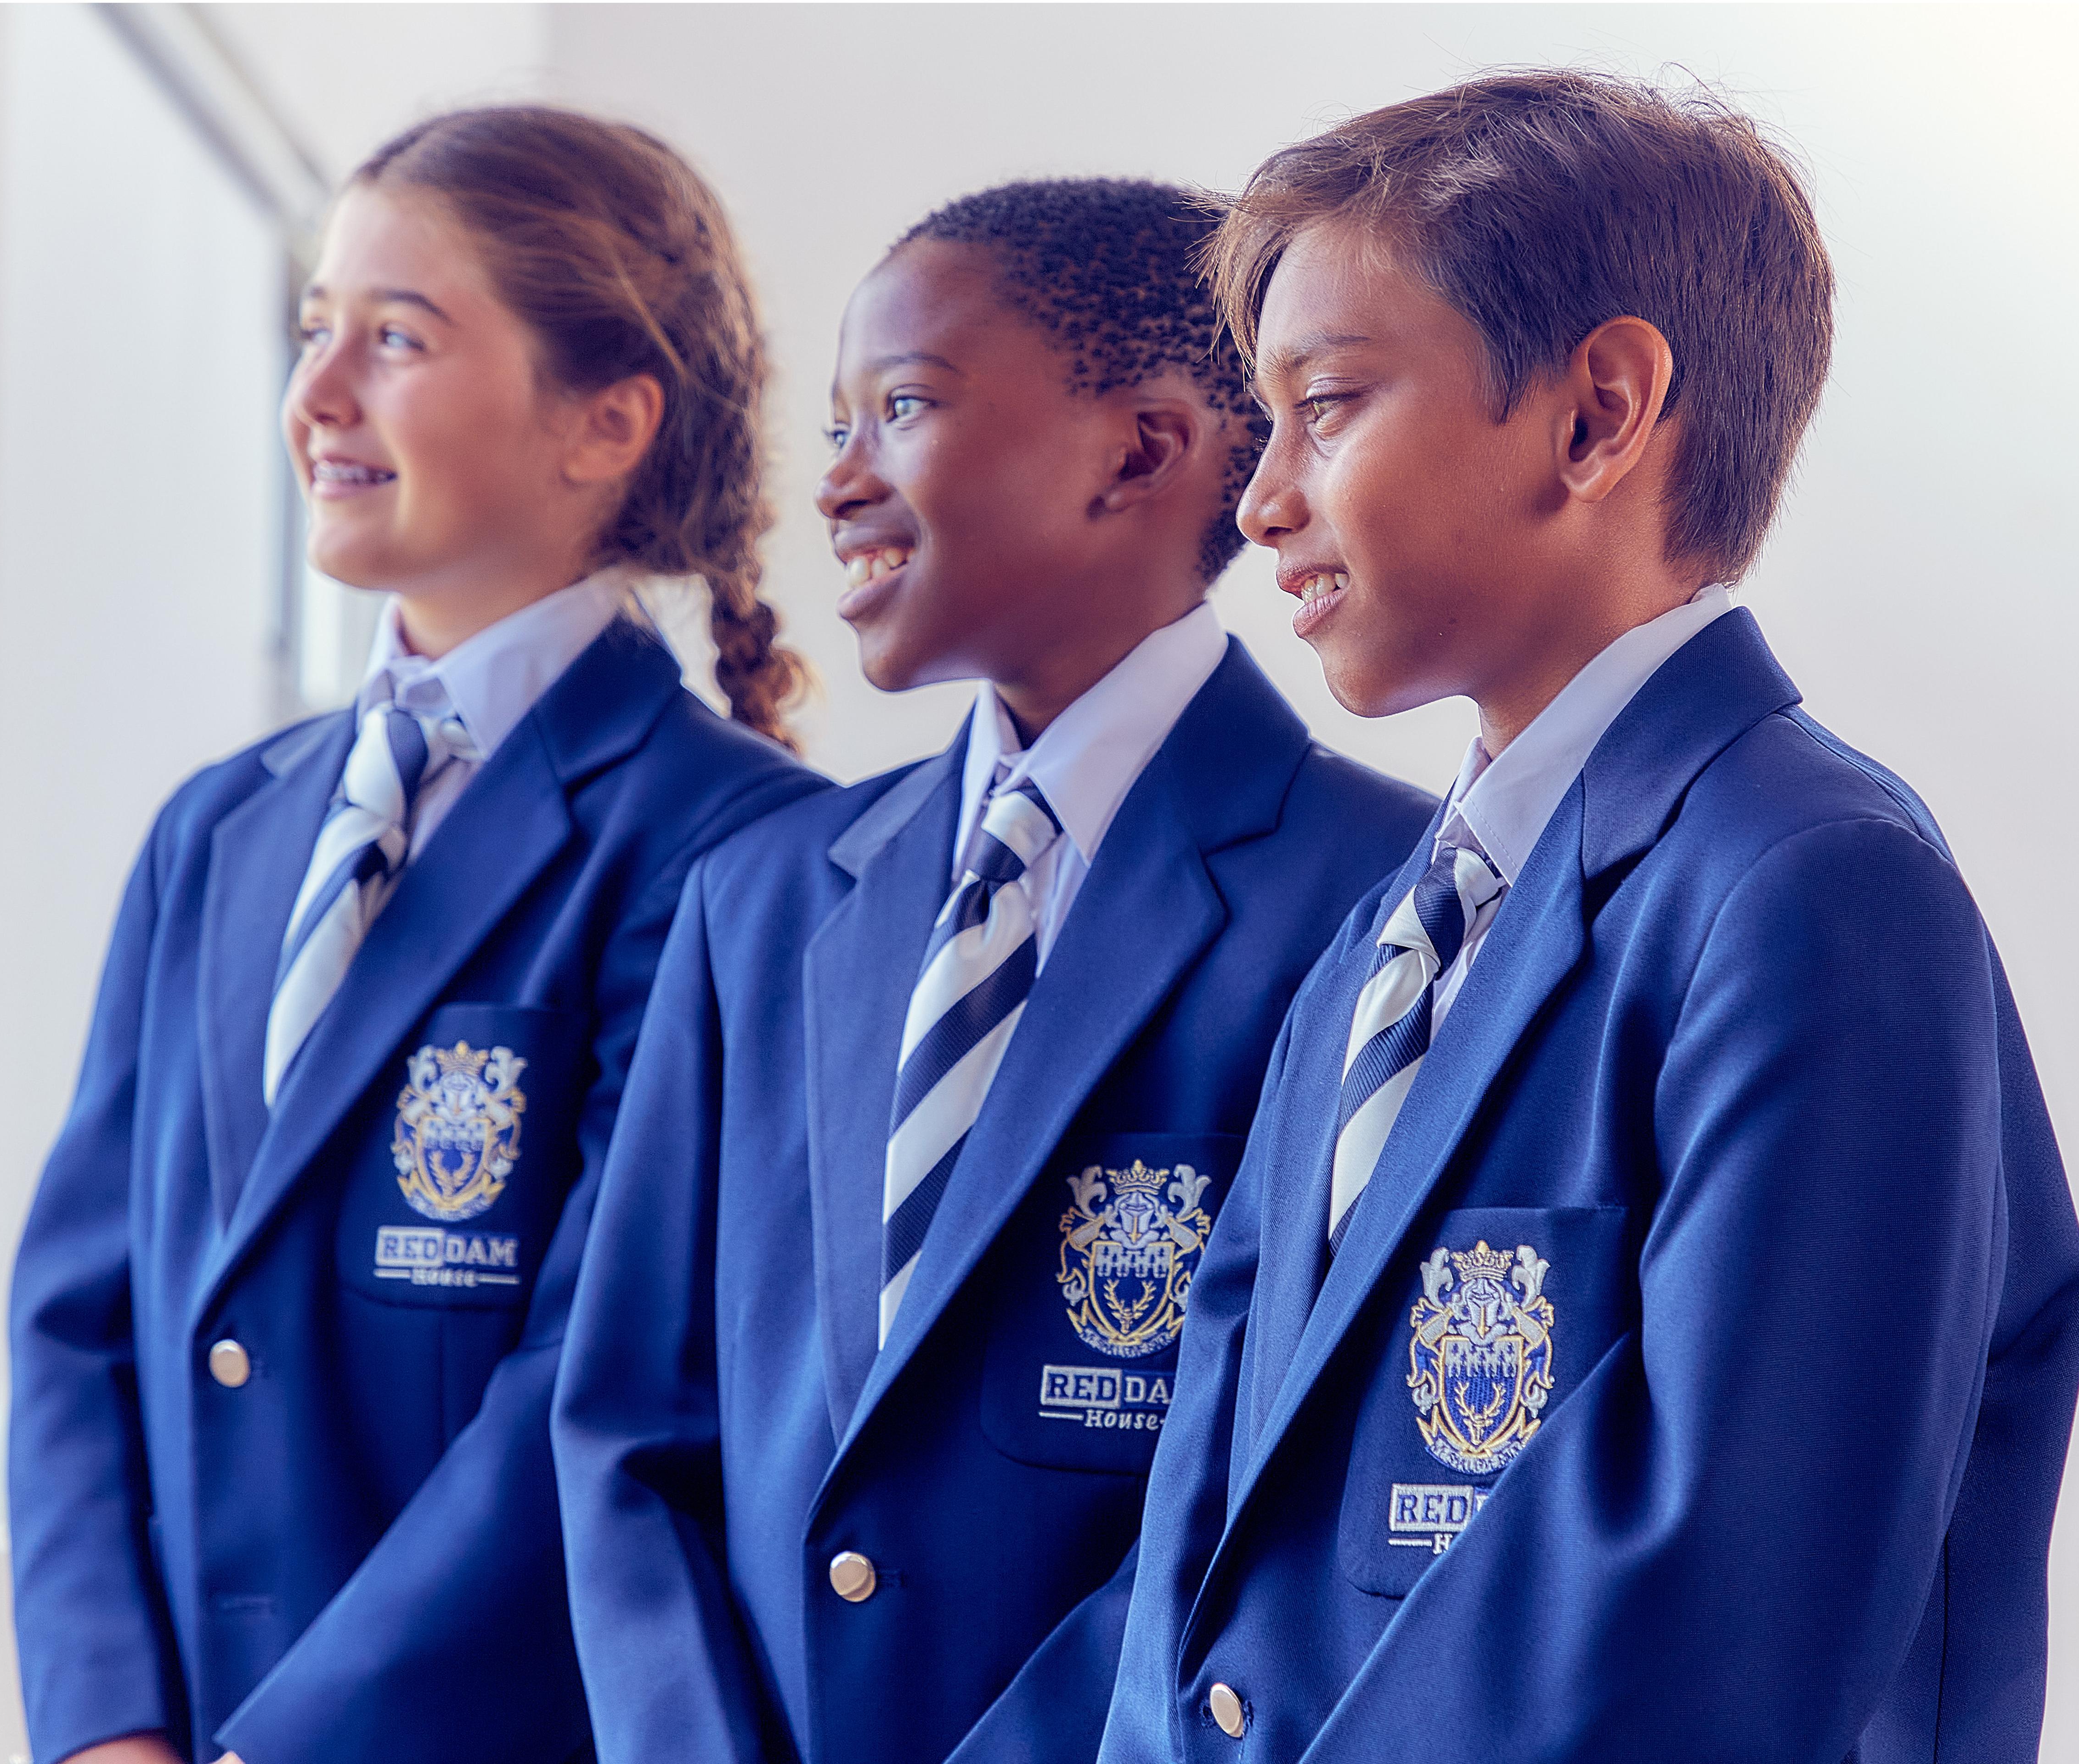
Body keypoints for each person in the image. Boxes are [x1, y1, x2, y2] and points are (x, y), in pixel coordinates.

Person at [1100, 72, 2079, 1764]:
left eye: (1327, 405)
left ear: (1600, 413)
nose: (1259, 500)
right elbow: (1198, 1539)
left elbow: (1718, 1610)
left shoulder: (1812, 893)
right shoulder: (1381, 943)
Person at [551, 179, 1435, 1764]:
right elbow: (631, 1428)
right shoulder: (759, 901)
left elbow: (1293, 1489)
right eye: (834, 424)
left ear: (1147, 452)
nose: (837, 482)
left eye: (901, 407)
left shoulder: (1383, 898)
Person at [6, 106, 825, 1764]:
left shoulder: (738, 852)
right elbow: (76, 1321)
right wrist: (108, 1727)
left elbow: (599, 1386)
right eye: (317, 332)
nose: (315, 397)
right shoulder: (217, 832)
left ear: (606, 422)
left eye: (394, 338)